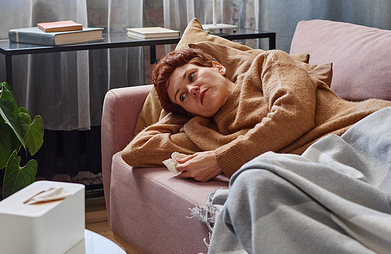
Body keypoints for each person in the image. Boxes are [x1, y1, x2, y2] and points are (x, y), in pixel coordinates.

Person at [121, 47, 391, 181]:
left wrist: (222, 160)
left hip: (367, 127)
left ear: (217, 67)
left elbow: (292, 115)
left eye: (192, 76)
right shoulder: (202, 131)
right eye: (182, 94)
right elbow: (136, 151)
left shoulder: (267, 64)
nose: (192, 89)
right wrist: (178, 112)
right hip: (325, 161)